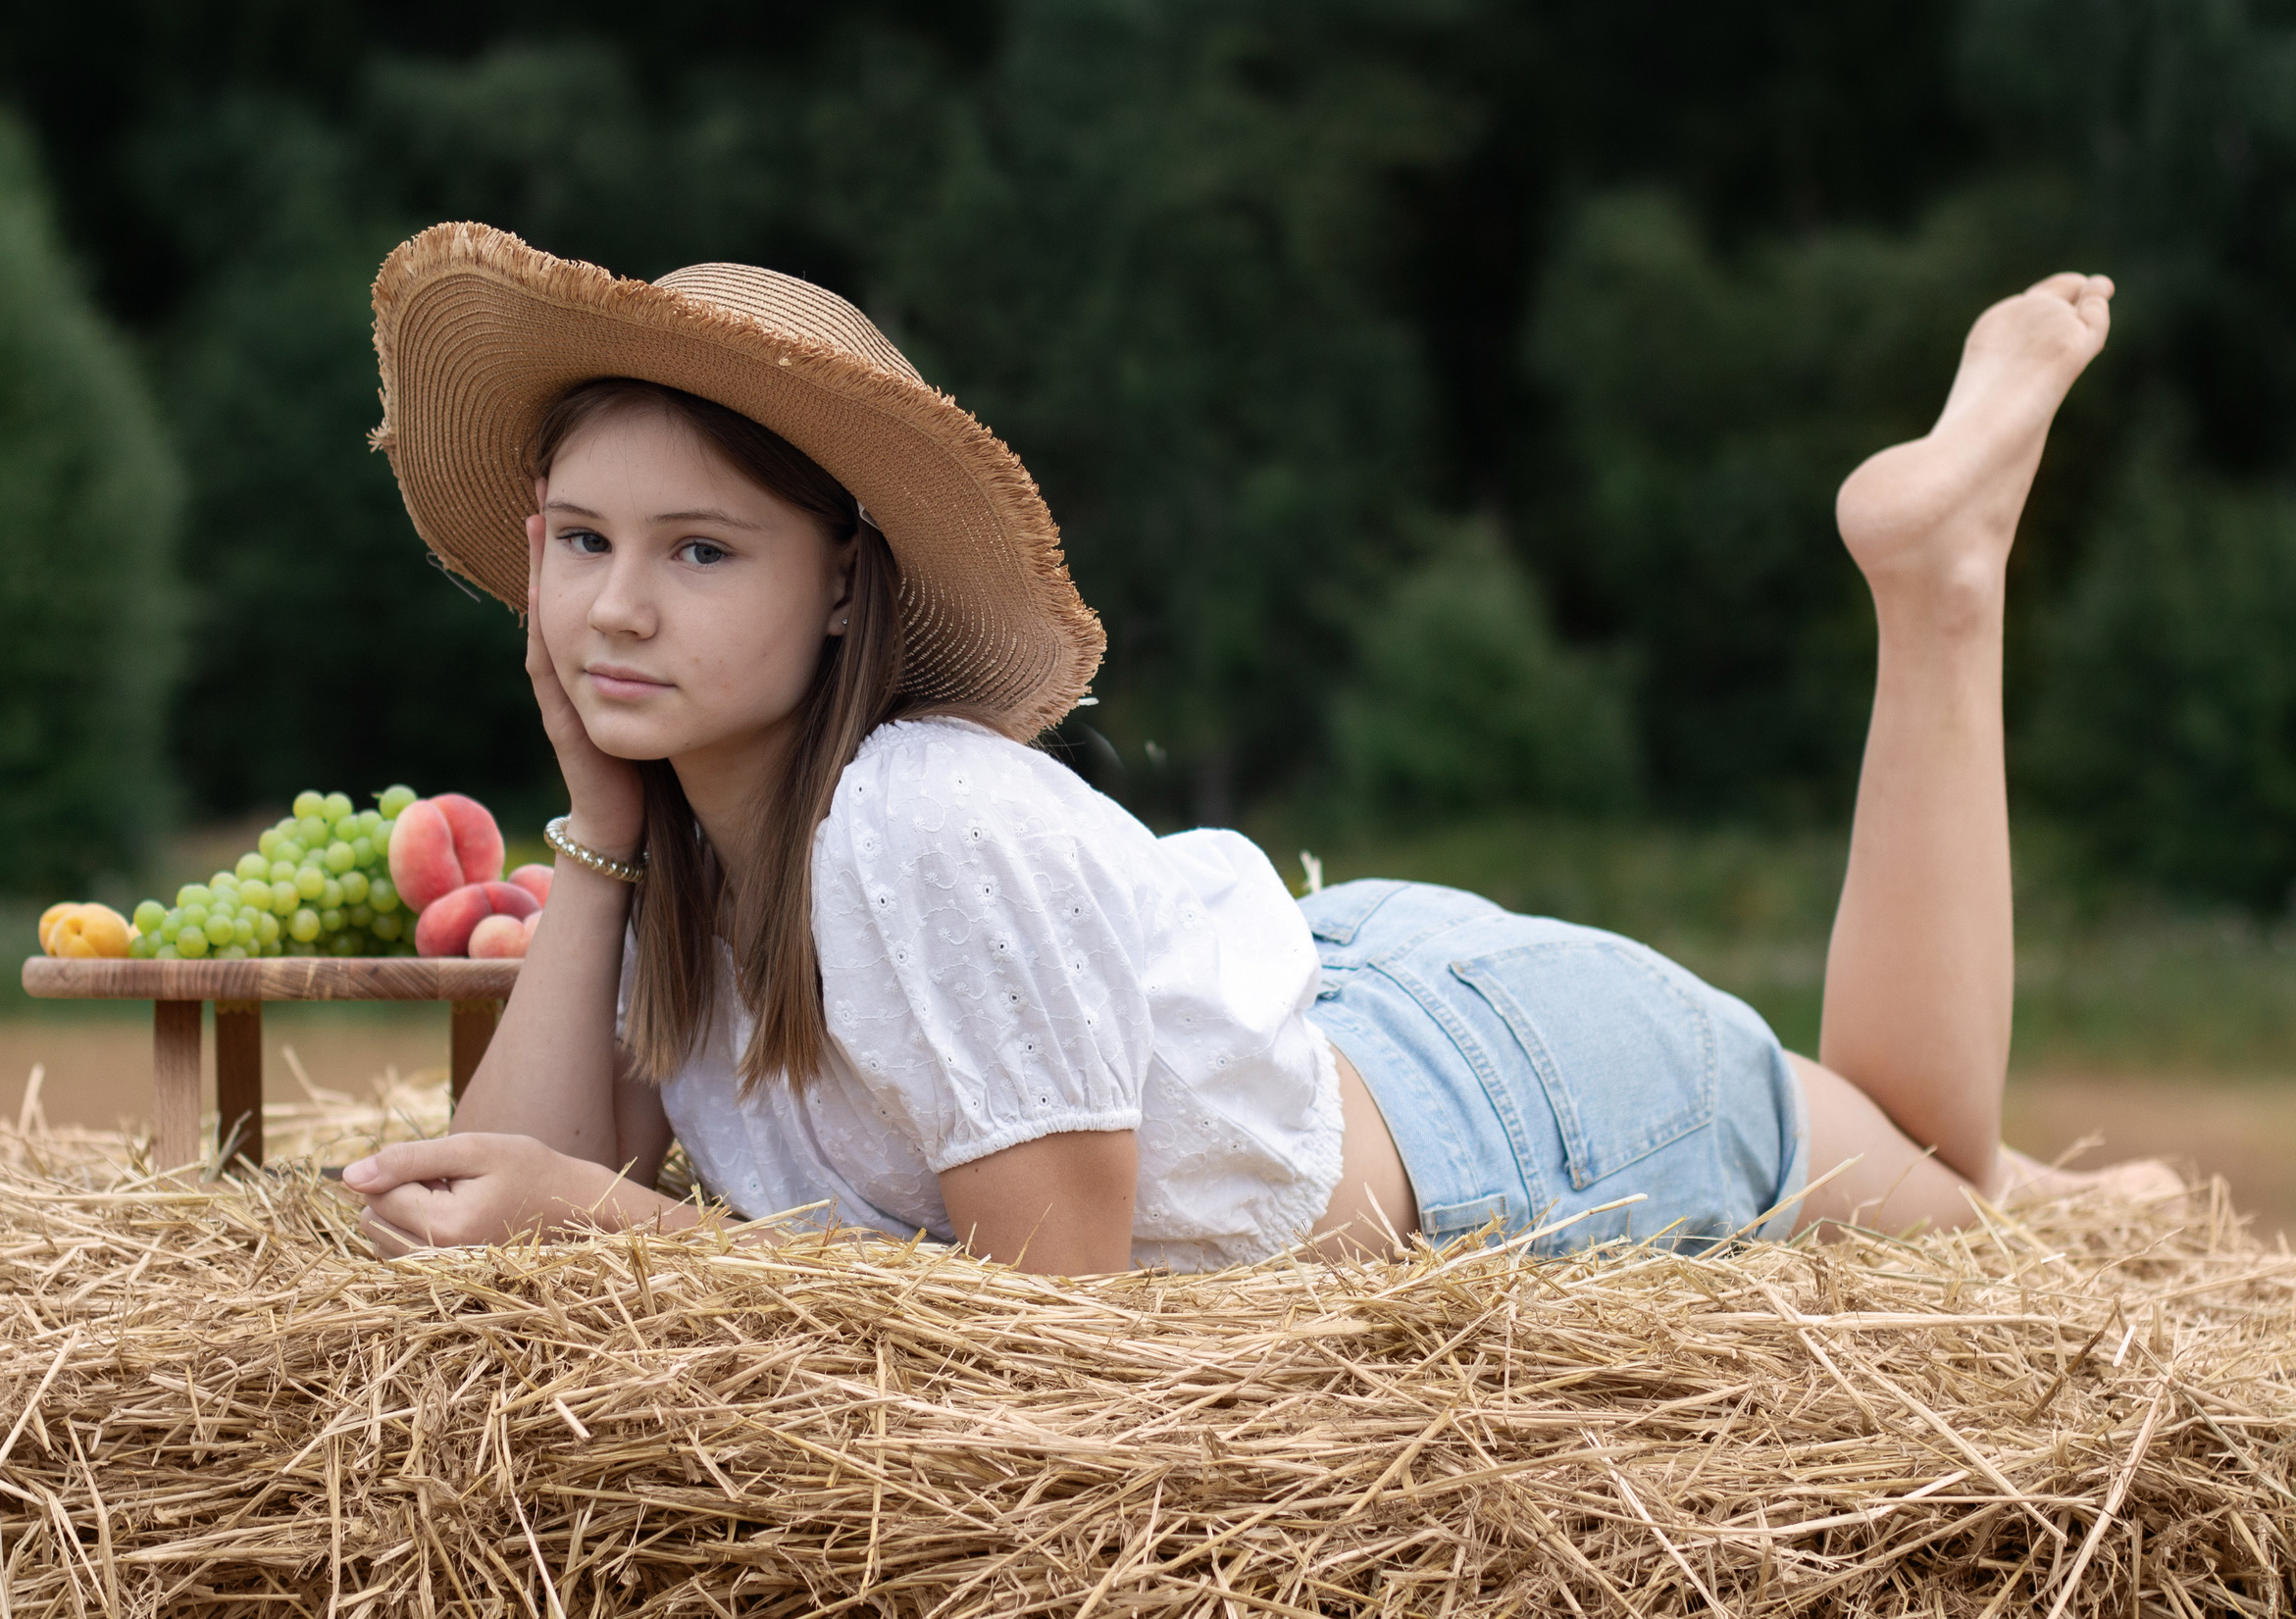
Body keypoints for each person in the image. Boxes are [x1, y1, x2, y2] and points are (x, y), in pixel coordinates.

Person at [342, 223, 2147, 1276]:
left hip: (1497, 1095)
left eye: (700, 552)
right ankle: (2093, 1191)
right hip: (1324, 991)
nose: (618, 610)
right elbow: (505, 1191)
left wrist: (636, 1239)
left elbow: (1048, 1333)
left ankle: (1939, 586)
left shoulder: (924, 824)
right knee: (1955, 1165)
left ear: (840, 586)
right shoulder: (689, 851)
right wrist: (598, 830)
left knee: (1945, 1176)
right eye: (586, 543)